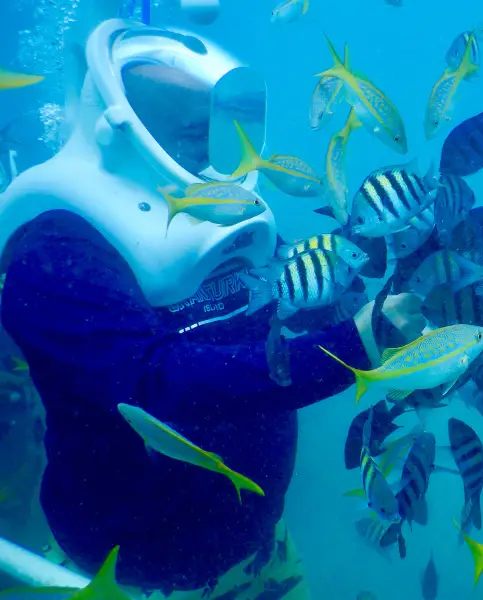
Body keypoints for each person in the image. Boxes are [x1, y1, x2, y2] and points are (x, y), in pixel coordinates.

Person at [0, 17, 423, 600]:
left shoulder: (220, 211)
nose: (195, 140)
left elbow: (281, 314)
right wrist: (356, 345)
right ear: (114, 120)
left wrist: (382, 292)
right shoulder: (54, 245)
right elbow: (152, 384)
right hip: (123, 568)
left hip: (257, 544)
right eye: (163, 111)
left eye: (205, 122)